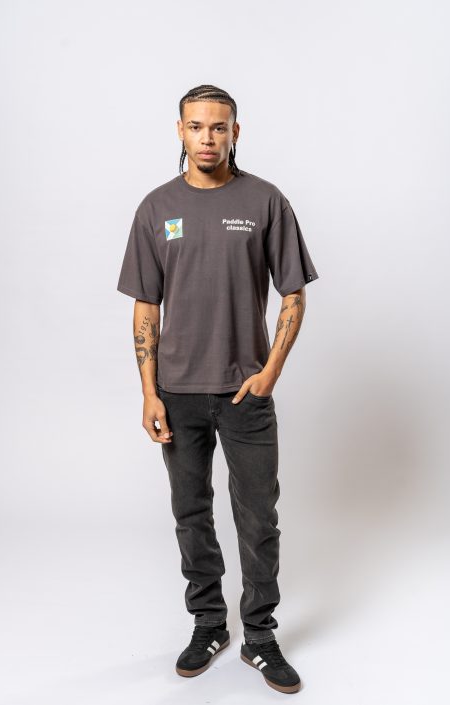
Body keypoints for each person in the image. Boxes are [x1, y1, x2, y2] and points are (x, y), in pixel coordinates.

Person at [117, 84, 319, 695]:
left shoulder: (265, 201)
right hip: (177, 393)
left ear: (236, 132)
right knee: (191, 513)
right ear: (179, 131)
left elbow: (292, 293)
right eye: (196, 126)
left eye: (219, 127)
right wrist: (149, 391)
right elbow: (145, 307)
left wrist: (270, 372)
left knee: (258, 516)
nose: (208, 137)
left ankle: (258, 634)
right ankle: (209, 624)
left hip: (245, 393)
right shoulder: (156, 208)